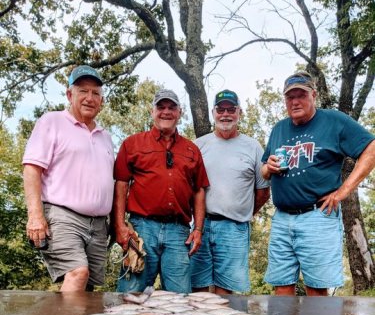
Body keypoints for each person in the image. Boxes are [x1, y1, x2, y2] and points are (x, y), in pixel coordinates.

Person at [261, 70, 375, 296]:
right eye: (290, 97)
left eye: (301, 95)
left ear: (313, 95)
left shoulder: (333, 120)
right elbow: (264, 170)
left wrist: (344, 191)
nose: (295, 101)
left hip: (317, 215)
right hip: (282, 218)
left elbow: (371, 148)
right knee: (281, 285)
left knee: (317, 289)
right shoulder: (279, 128)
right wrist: (268, 167)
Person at [23, 65, 115, 292]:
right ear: (69, 94)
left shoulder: (106, 137)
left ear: (101, 101)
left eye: (96, 93)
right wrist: (35, 216)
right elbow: (32, 168)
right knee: (77, 273)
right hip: (63, 216)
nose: (89, 98)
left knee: (89, 286)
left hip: (99, 224)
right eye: (83, 91)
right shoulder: (51, 122)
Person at [113, 89, 209, 293]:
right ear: (152, 111)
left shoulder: (191, 150)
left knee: (179, 298)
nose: (166, 112)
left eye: (171, 107)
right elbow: (121, 184)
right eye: (161, 107)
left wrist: (198, 229)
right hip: (141, 229)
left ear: (179, 113)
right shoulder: (133, 144)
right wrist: (120, 225)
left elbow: (199, 190)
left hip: (178, 232)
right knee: (131, 294)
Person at [190, 89, 270, 295]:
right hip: (200, 226)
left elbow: (263, 192)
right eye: (221, 109)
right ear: (213, 112)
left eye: (231, 109)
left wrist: (241, 214)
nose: (225, 114)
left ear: (239, 112)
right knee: (196, 286)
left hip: (235, 229)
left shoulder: (253, 147)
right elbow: (188, 188)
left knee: (226, 292)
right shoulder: (198, 146)